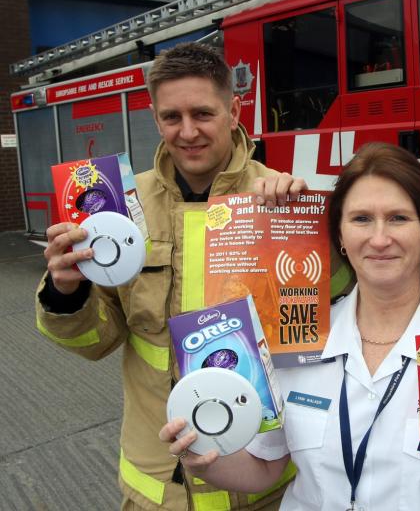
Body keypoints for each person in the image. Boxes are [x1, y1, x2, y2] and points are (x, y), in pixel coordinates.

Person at [160, 142, 420, 510]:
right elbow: (264, 467)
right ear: (340, 236)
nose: (380, 238)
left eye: (399, 218)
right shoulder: (295, 339)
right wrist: (203, 460)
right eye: (362, 219)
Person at [36, 42, 308, 510]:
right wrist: (67, 292)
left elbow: (332, 328)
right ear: (153, 116)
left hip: (260, 485)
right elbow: (99, 339)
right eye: (171, 117)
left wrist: (313, 230)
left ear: (235, 109)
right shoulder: (117, 204)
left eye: (203, 113)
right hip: (156, 485)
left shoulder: (280, 199)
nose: (187, 132)